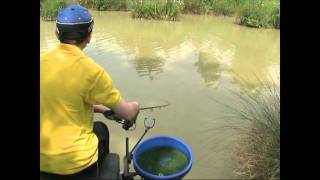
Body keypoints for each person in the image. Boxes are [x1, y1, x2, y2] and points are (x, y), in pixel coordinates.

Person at [40, 4, 139, 178]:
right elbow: (128, 114)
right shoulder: (93, 72)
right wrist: (135, 106)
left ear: (57, 33)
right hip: (78, 166)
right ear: (90, 36)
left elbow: (65, 101)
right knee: (101, 132)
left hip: (43, 162)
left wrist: (101, 109)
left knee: (99, 128)